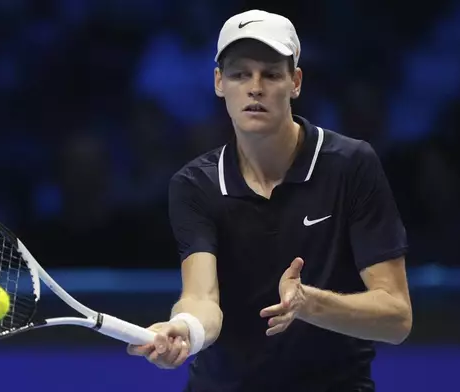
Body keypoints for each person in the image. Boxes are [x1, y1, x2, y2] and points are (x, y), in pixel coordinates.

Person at [127, 9, 412, 392]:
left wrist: (309, 304)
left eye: (271, 74)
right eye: (240, 73)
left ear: (295, 82)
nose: (255, 87)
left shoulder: (351, 166)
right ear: (218, 82)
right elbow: (201, 296)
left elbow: (397, 318)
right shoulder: (196, 184)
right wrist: (185, 330)